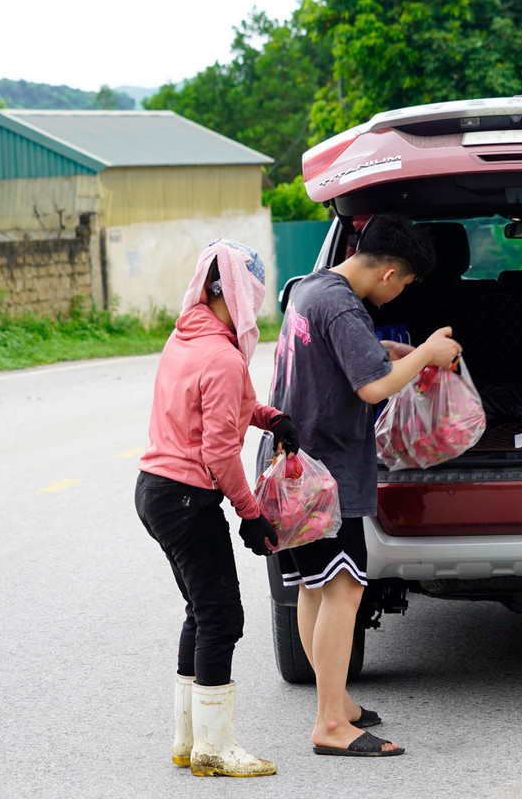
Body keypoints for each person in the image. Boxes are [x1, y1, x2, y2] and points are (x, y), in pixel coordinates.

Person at [268, 214, 461, 757]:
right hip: (325, 472)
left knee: (314, 586)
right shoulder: (344, 306)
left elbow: (345, 358)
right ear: (390, 273)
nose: (400, 293)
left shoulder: (312, 288)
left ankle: (337, 703)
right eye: (405, 284)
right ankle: (331, 724)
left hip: (293, 465)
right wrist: (425, 353)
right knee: (344, 588)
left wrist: (385, 350)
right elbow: (374, 388)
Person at [135, 239, 299, 778]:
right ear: (235, 293)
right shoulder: (224, 357)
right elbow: (220, 453)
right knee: (222, 616)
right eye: (251, 292)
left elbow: (228, 406)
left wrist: (272, 418)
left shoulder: (187, 336)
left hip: (155, 491)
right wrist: (251, 514)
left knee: (200, 611)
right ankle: (216, 747)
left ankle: (188, 741)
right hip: (186, 498)